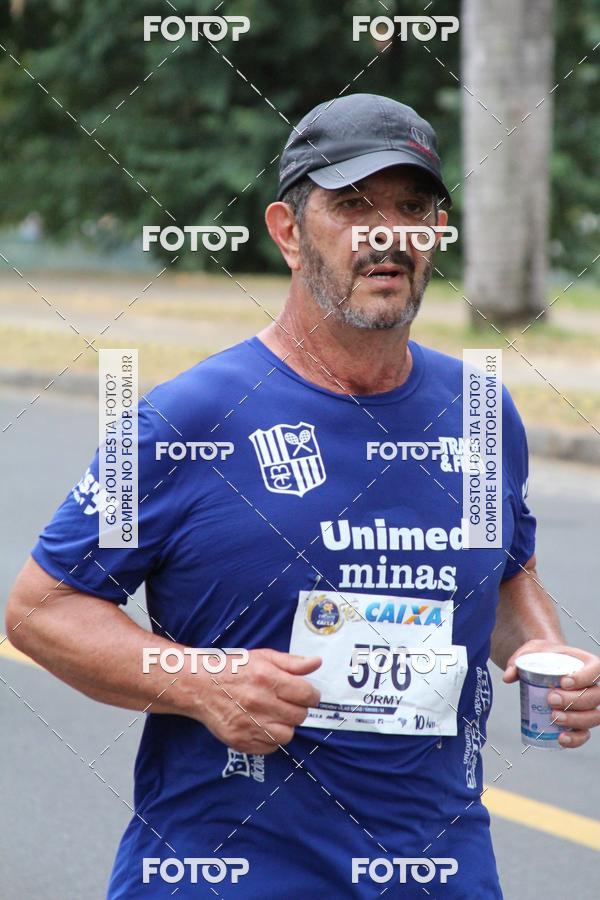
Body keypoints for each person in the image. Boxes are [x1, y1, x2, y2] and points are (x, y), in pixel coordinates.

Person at [6, 93, 600, 898]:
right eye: (353, 207)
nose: (387, 233)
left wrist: (534, 649)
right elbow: (41, 610)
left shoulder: (483, 411)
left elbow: (506, 572)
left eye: (413, 208)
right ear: (287, 231)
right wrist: (202, 681)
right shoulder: (183, 420)